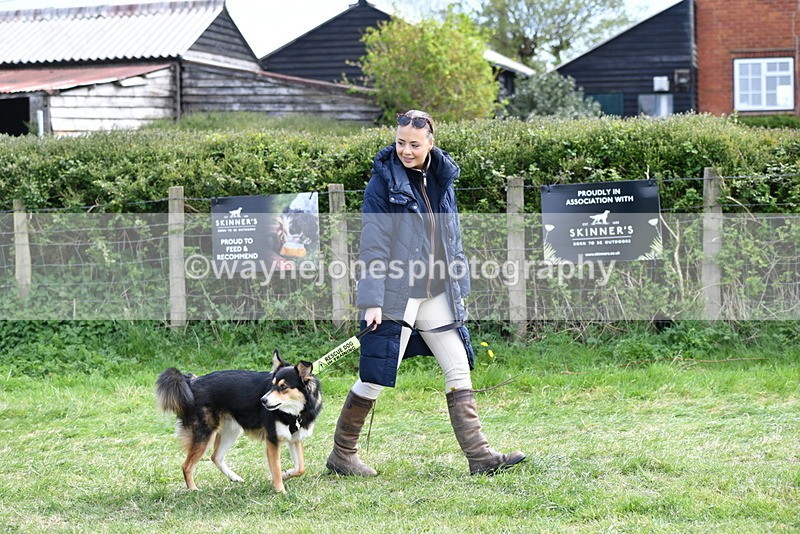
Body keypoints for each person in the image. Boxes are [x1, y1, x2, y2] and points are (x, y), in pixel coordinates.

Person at [326, 110, 525, 476]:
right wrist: (371, 300)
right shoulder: (381, 185)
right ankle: (342, 454)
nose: (406, 150)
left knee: (458, 367)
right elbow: (372, 246)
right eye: (401, 142)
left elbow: (453, 239)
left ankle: (480, 457)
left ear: (430, 142)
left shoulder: (442, 179)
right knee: (375, 374)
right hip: (397, 294)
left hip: (437, 292)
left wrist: (459, 289)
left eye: (414, 144)